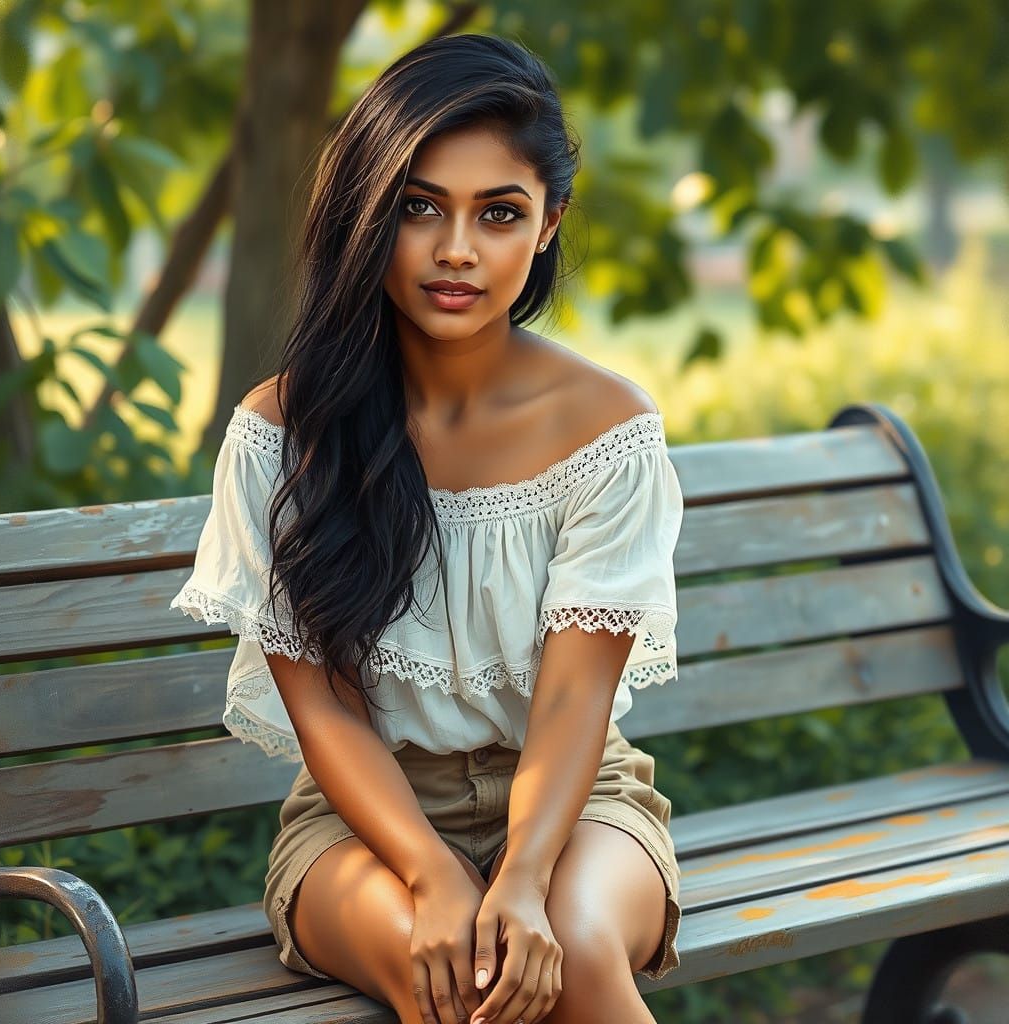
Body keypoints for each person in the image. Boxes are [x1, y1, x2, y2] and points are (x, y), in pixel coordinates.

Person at [169, 32, 684, 1024]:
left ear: (547, 224)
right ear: (368, 216)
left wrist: (523, 877)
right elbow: (320, 707)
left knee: (571, 951)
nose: (456, 249)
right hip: (362, 827)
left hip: (579, 811)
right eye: (419, 208)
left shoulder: (606, 431)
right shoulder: (284, 434)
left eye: (499, 213)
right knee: (444, 968)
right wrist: (436, 877)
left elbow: (576, 701)